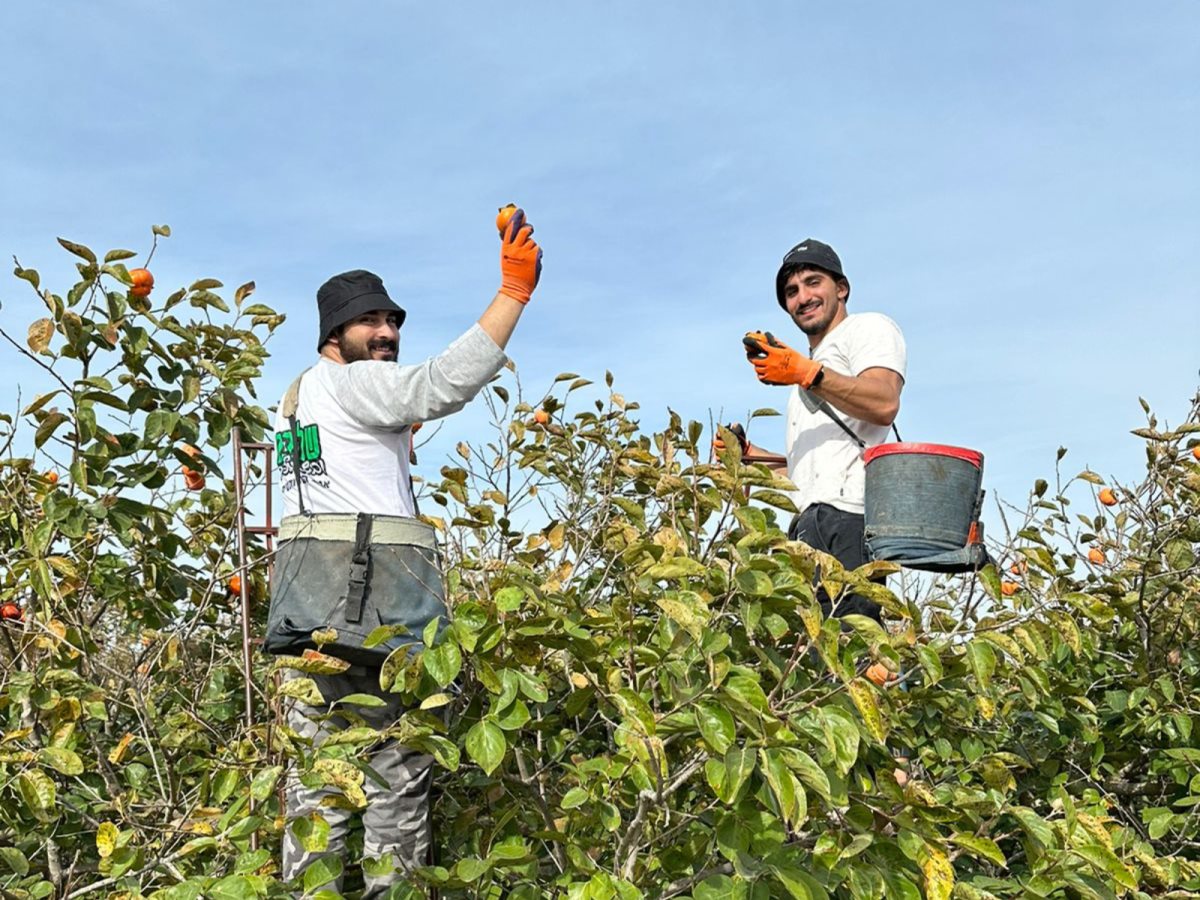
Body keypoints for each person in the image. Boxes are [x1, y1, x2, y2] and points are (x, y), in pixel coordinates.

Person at [269, 209, 543, 895]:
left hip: (308, 614)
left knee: (318, 786)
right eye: (370, 324)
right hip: (375, 616)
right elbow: (437, 384)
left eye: (393, 321)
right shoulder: (353, 381)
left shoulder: (296, 397)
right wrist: (511, 295)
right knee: (396, 777)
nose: (387, 333)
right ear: (336, 335)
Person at [719, 238, 905, 623]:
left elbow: (884, 402)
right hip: (806, 525)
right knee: (814, 666)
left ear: (841, 287)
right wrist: (749, 456)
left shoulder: (867, 328)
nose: (802, 297)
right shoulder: (808, 370)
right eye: (791, 292)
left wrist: (807, 373)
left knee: (853, 657)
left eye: (812, 282)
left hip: (852, 520)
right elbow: (808, 473)